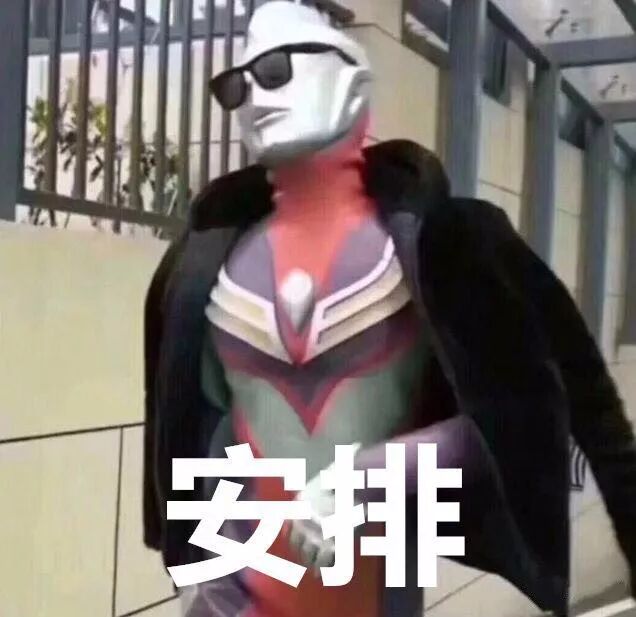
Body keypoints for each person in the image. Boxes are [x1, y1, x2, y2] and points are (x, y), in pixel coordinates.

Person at [143, 2, 636, 616]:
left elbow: (534, 414)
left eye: (276, 70)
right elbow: (206, 427)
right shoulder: (201, 262)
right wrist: (201, 573)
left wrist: (370, 476)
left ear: (351, 80)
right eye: (235, 85)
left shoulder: (449, 243)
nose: (253, 96)